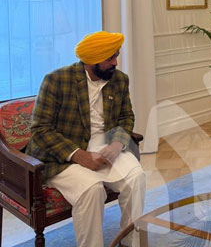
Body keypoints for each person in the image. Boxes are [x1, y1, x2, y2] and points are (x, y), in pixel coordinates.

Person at [26, 31, 146, 247]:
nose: (115, 63)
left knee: (136, 178)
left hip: (107, 148)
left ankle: (130, 242)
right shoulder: (57, 80)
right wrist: (79, 155)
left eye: (116, 56)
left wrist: (117, 144)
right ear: (92, 59)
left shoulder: (119, 79)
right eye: (110, 58)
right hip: (64, 157)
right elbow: (40, 129)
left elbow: (126, 117)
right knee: (92, 189)